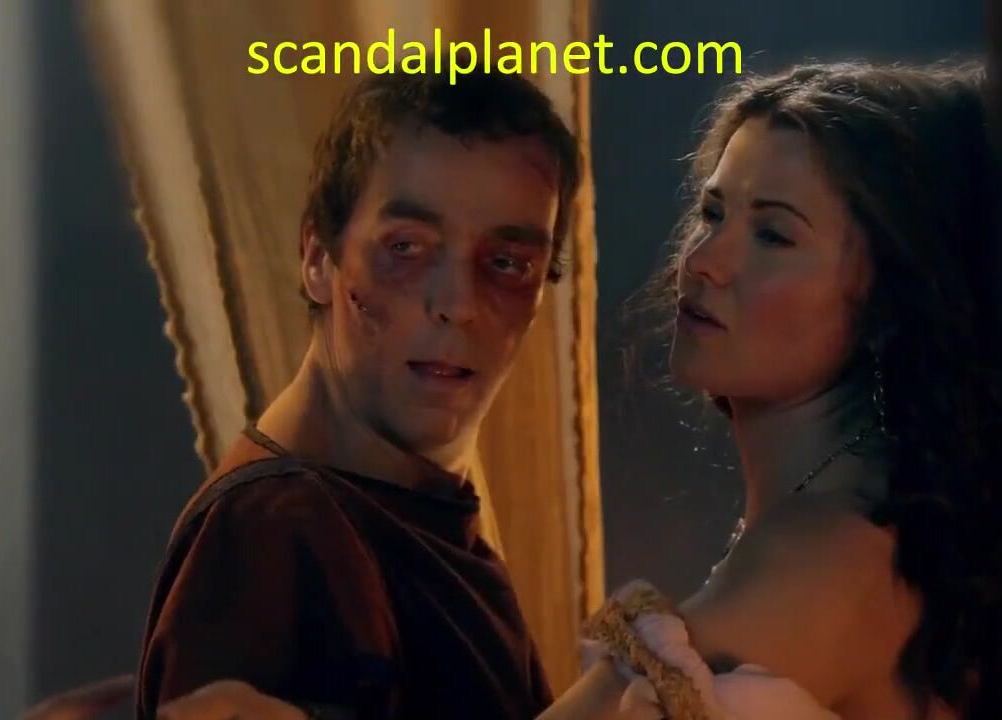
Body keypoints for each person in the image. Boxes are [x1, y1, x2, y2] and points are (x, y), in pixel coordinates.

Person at [158, 60, 1002, 720]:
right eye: (712, 213)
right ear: (317, 256)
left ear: (892, 299)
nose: (704, 261)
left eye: (773, 235)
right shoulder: (285, 522)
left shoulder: (830, 550)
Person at [129, 68, 583, 720]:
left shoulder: (411, 512)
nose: (457, 304)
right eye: (408, 247)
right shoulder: (279, 532)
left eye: (507, 263)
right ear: (319, 257)